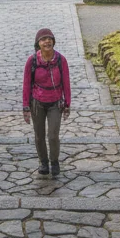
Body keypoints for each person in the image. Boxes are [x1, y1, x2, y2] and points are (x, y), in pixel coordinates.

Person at [22, 27, 71, 176]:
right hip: (37, 103)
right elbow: (26, 84)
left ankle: (54, 161)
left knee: (53, 136)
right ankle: (43, 162)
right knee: (39, 135)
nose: (47, 41)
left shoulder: (61, 60)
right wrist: (26, 107)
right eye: (43, 39)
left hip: (55, 103)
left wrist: (67, 103)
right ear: (38, 44)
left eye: (49, 39)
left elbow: (66, 83)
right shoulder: (32, 61)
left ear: (53, 42)